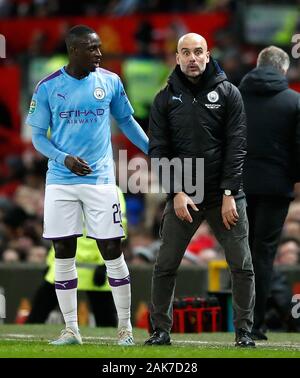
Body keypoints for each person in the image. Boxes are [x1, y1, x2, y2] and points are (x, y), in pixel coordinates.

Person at [26, 25, 148, 346]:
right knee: (63, 251)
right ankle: (71, 330)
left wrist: (153, 148)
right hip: (61, 182)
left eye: (99, 48)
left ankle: (125, 329)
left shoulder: (109, 81)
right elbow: (38, 137)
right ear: (74, 51)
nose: (99, 53)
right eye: (91, 48)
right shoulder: (48, 87)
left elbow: (126, 121)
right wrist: (63, 157)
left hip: (101, 180)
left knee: (112, 249)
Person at [145, 33, 255, 347]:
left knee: (242, 265)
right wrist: (177, 192)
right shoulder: (164, 99)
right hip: (184, 196)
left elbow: (237, 146)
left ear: (208, 55)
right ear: (176, 58)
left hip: (225, 196)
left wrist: (229, 193)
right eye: (185, 52)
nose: (192, 58)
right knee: (165, 265)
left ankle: (244, 332)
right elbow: (159, 150)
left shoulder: (230, 93)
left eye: (198, 52)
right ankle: (160, 331)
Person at [239, 46, 300, 340]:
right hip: (276, 187)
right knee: (264, 253)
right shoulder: (294, 102)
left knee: (242, 252)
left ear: (258, 64)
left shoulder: (235, 97)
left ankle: (242, 323)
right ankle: (257, 324)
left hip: (237, 187)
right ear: (283, 69)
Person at [27, 187, 127, 328]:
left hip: (90, 268)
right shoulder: (68, 186)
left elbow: (118, 227)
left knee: (106, 323)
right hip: (72, 265)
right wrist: (50, 262)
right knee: (36, 316)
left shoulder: (110, 190)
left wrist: (105, 264)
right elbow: (58, 230)